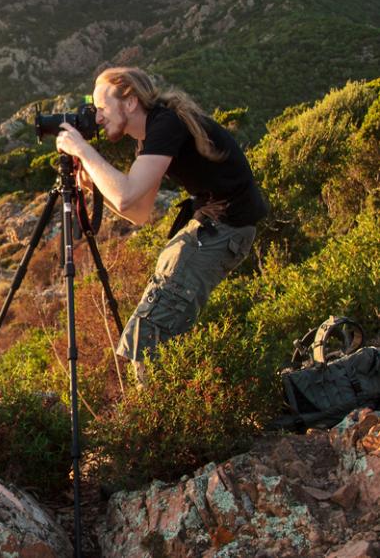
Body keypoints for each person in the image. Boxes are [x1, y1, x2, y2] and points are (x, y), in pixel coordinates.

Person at [55, 66, 268, 388]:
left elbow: (126, 197)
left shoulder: (167, 124)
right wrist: (94, 183)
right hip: (215, 227)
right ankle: (172, 403)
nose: (97, 118)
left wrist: (83, 150)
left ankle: (157, 413)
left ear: (129, 102)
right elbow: (139, 213)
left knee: (150, 331)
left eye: (101, 107)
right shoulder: (152, 135)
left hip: (224, 229)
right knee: (157, 321)